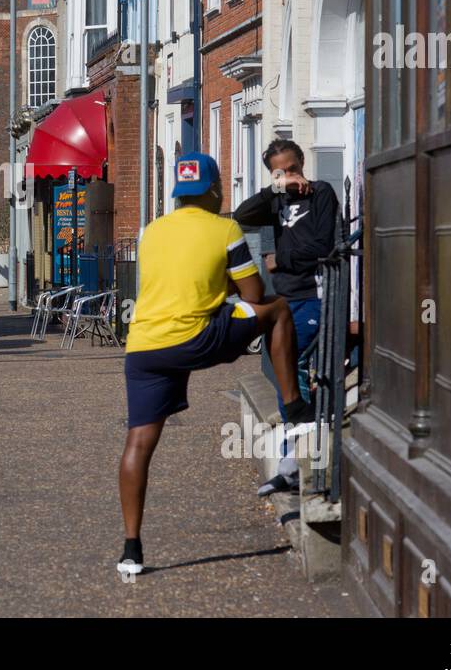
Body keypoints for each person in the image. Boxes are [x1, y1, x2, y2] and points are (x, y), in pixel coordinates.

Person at [116, 152, 312, 576]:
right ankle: (296, 408)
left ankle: (131, 550)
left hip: (144, 347)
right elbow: (254, 293)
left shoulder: (150, 232)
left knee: (138, 444)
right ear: (213, 189)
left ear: (177, 192)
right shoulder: (225, 228)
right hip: (195, 338)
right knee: (277, 310)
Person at [233, 138, 339, 496]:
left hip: (312, 294)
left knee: (290, 366)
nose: (290, 176)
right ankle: (292, 460)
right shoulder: (276, 200)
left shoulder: (321, 194)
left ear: (302, 163)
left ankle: (294, 462)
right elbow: (242, 215)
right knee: (284, 375)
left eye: (293, 169)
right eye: (281, 172)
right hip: (281, 300)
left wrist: (283, 260)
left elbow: (323, 246)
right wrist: (275, 187)